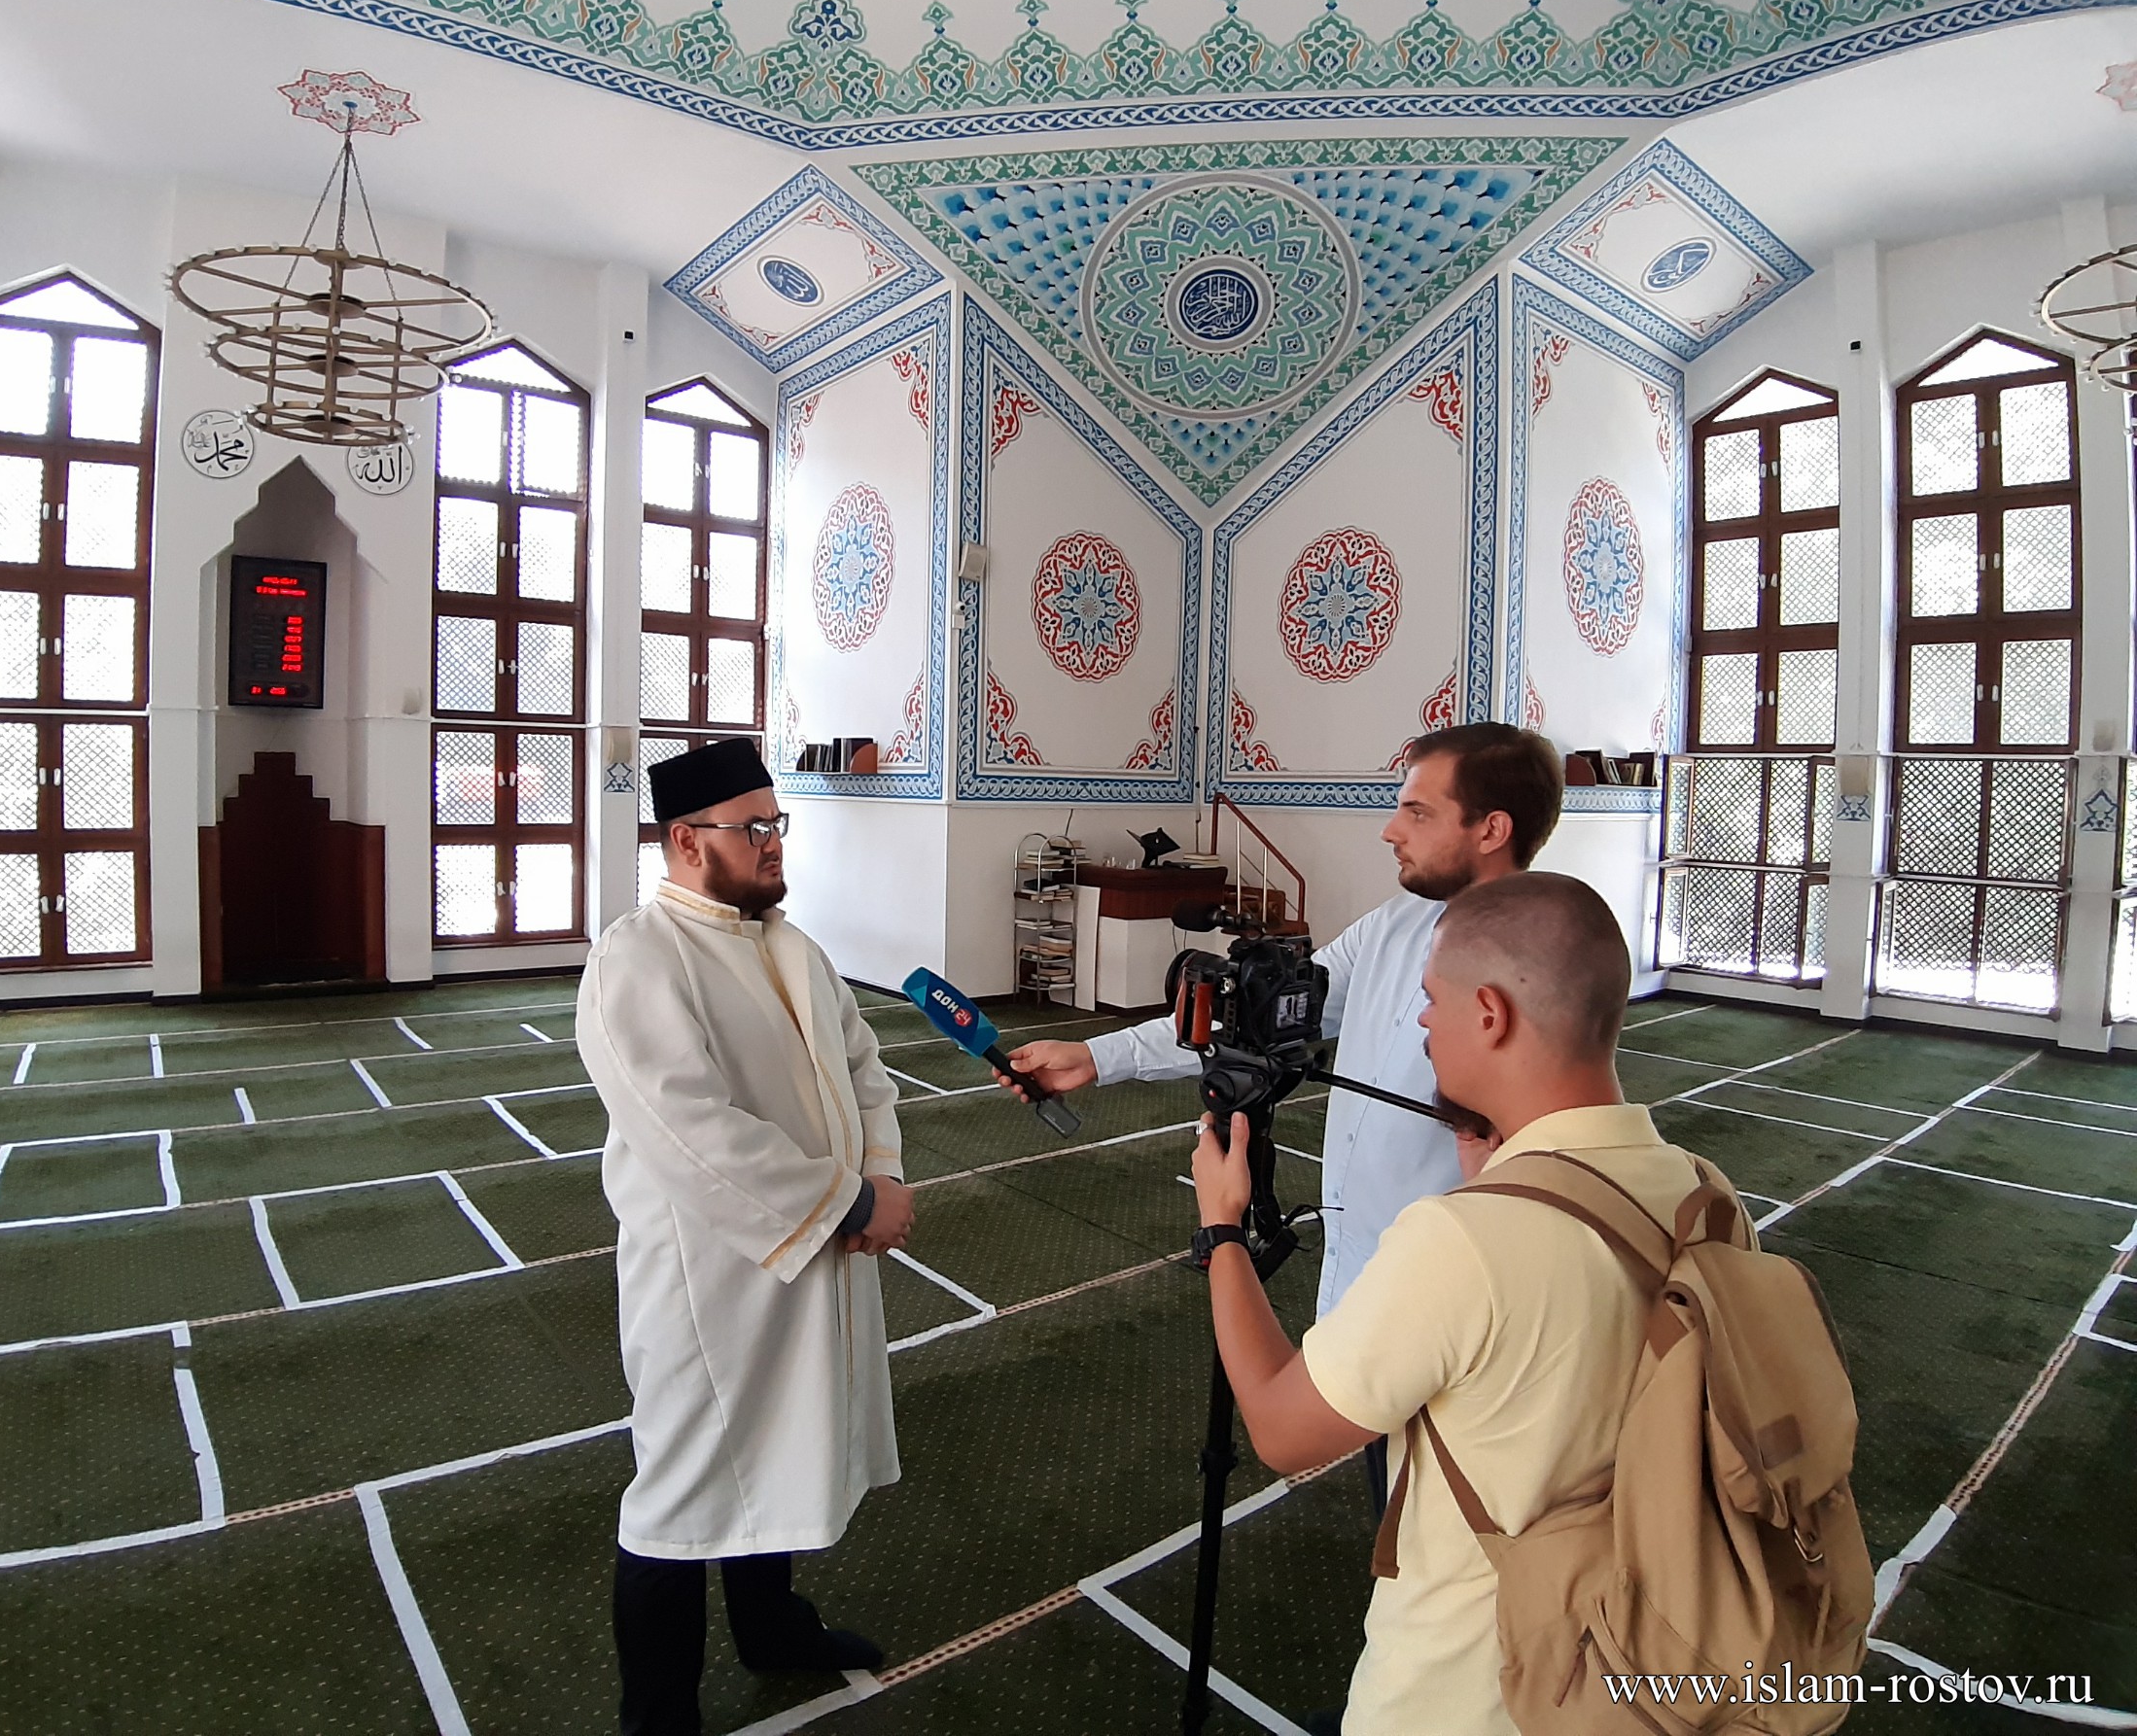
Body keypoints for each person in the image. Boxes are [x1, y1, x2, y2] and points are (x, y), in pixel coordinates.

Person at [1186, 871, 1744, 1736]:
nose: (1421, 1022)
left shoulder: (1463, 1240)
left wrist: (1223, 1231)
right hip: (1635, 1665)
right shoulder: (1707, 1193)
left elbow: (1283, 1431)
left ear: (1489, 1014)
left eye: (1430, 1001)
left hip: (1469, 1696)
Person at [1006, 722, 1562, 1510]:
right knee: (1393, 1512)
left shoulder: (1548, 965)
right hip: (1360, 1282)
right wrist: (1099, 1057)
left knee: (1454, 1524)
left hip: (1461, 1302)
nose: (1390, 830)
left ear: (1491, 829)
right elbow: (1256, 1013)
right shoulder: (1394, 925)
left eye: (1417, 812)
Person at [574, 739, 914, 1736]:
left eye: (777, 823)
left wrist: (882, 1174)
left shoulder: (793, 948)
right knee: (681, 1493)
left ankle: (772, 1630)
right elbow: (692, 1130)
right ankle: (658, 1714)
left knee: (781, 1444)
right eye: (753, 827)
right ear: (687, 841)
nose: (774, 843)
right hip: (709, 1284)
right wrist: (850, 1205)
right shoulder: (639, 958)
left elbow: (865, 1068)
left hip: (813, 1255)